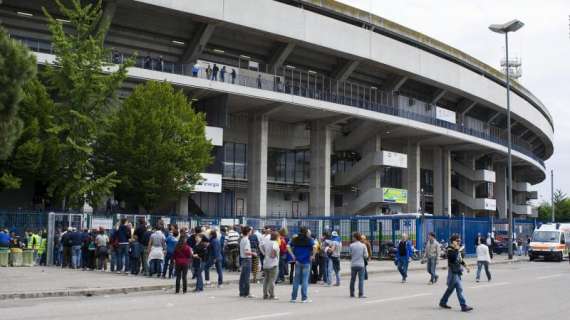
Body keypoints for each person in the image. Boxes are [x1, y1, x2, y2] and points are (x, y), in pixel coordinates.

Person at [439, 235, 473, 312]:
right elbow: (453, 258)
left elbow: (460, 259)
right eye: (457, 241)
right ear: (453, 241)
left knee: (450, 289)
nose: (459, 242)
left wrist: (466, 266)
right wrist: (457, 250)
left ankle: (443, 302)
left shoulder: (456, 249)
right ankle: (463, 305)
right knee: (459, 288)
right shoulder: (449, 249)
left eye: (459, 241)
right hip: (453, 271)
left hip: (457, 270)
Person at [288, 226, 316, 303]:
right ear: (306, 232)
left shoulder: (295, 239)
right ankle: (304, 298)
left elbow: (288, 246)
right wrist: (313, 256)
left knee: (296, 280)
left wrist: (292, 255)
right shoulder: (309, 240)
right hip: (306, 261)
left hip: (297, 261)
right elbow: (314, 247)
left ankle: (293, 298)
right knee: (304, 280)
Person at [260, 231, 280, 300]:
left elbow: (261, 245)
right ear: (277, 237)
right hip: (273, 263)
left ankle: (265, 294)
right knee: (272, 280)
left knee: (266, 279)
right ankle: (272, 295)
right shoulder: (275, 243)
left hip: (266, 262)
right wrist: (273, 255)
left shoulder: (267, 242)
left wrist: (264, 253)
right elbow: (274, 249)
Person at [349, 232, 368, 298]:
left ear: (355, 237)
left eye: (353, 237)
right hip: (361, 265)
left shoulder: (351, 245)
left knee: (352, 280)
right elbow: (366, 256)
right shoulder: (363, 245)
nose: (352, 238)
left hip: (353, 264)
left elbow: (350, 254)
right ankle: (360, 294)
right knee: (361, 280)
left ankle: (352, 293)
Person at [239, 226, 256, 298]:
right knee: (247, 277)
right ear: (248, 232)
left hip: (243, 259)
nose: (251, 232)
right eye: (250, 231)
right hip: (247, 259)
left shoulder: (242, 239)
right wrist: (253, 253)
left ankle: (242, 292)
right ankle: (247, 292)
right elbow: (246, 251)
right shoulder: (247, 240)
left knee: (243, 277)